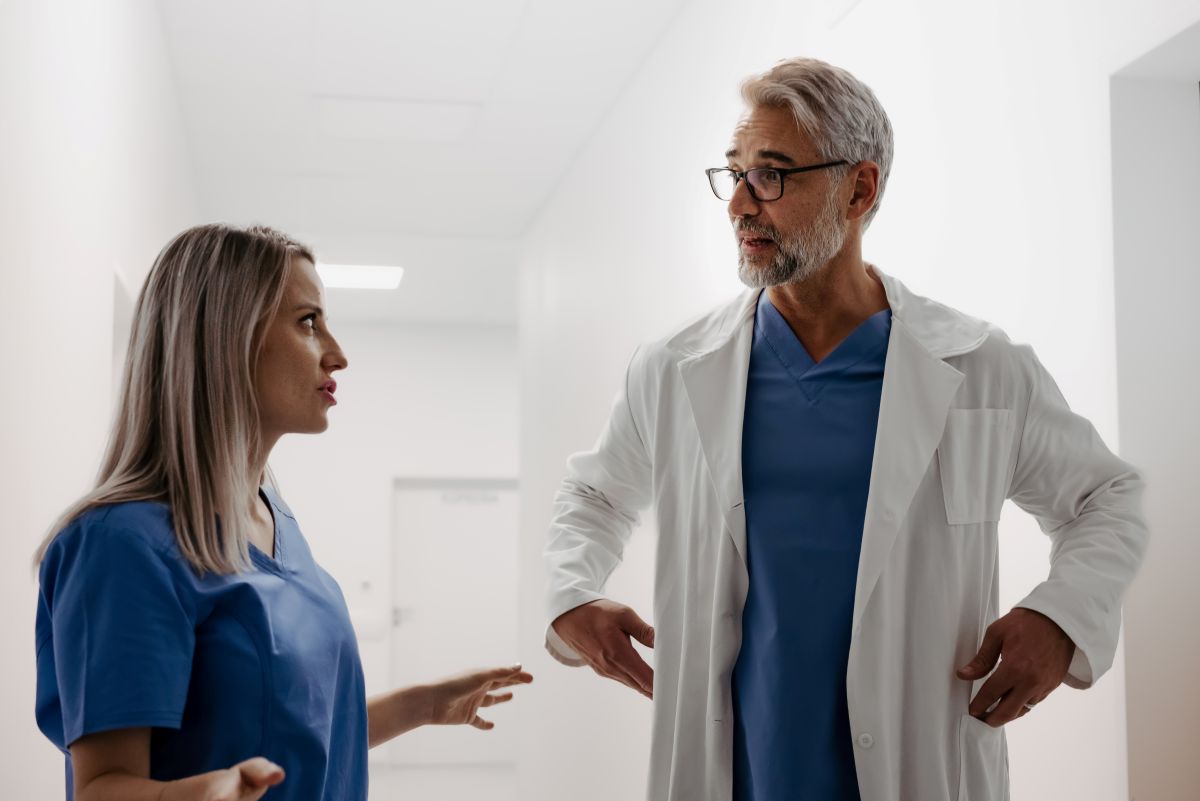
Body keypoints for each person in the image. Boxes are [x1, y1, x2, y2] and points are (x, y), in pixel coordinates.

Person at [543, 58, 1147, 801]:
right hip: (736, 773)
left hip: (915, 766)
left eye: (771, 174)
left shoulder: (979, 366)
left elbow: (1108, 496)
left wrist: (1063, 616)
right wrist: (572, 593)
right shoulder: (673, 368)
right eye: (732, 173)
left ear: (858, 188)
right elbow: (595, 493)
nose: (738, 204)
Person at [34, 224, 532, 801]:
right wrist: (205, 793)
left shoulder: (277, 520)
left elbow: (293, 735)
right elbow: (102, 788)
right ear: (227, 337)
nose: (338, 355)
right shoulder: (122, 543)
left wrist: (420, 705)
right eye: (308, 322)